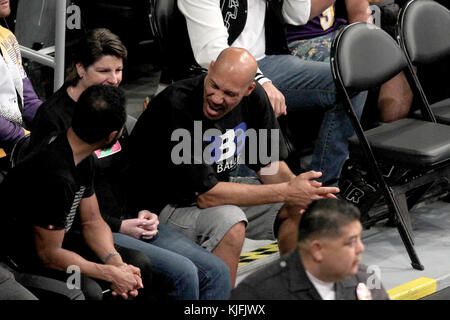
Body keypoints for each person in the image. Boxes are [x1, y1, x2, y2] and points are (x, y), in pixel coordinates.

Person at [29, 28, 231, 300]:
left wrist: (145, 211)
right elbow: (64, 208)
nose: (114, 80)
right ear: (80, 68)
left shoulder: (113, 108)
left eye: (119, 70)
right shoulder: (55, 122)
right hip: (94, 232)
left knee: (216, 270)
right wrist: (118, 229)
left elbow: (131, 170)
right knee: (184, 272)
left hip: (130, 219)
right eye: (104, 71)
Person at [126, 47, 340, 287]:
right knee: (231, 221)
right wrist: (287, 191)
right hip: (164, 205)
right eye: (214, 86)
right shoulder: (178, 104)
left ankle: (296, 292)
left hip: (215, 188)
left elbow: (269, 168)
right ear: (211, 68)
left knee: (296, 209)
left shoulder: (255, 99)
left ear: (249, 89)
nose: (217, 98)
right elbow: (207, 196)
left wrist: (302, 193)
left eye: (229, 93)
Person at [177, 0, 368, 186]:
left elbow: (297, 15)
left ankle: (322, 187)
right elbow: (211, 50)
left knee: (351, 81)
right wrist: (261, 80)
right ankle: (250, 191)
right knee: (243, 95)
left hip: (267, 61)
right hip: (216, 72)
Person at [0, 85, 153, 300]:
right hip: (22, 259)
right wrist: (110, 273)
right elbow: (49, 255)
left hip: (60, 243)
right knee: (85, 290)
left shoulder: (83, 157)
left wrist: (116, 262)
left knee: (138, 263)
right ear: (111, 136)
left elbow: (92, 221)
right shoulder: (55, 174)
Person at [230, 198, 390, 300]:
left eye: (359, 239)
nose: (361, 248)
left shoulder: (365, 279)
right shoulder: (257, 294)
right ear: (317, 250)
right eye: (350, 242)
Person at [0, 0, 41, 176]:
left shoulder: (7, 36)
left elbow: (28, 98)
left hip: (16, 144)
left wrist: (55, 120)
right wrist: (24, 138)